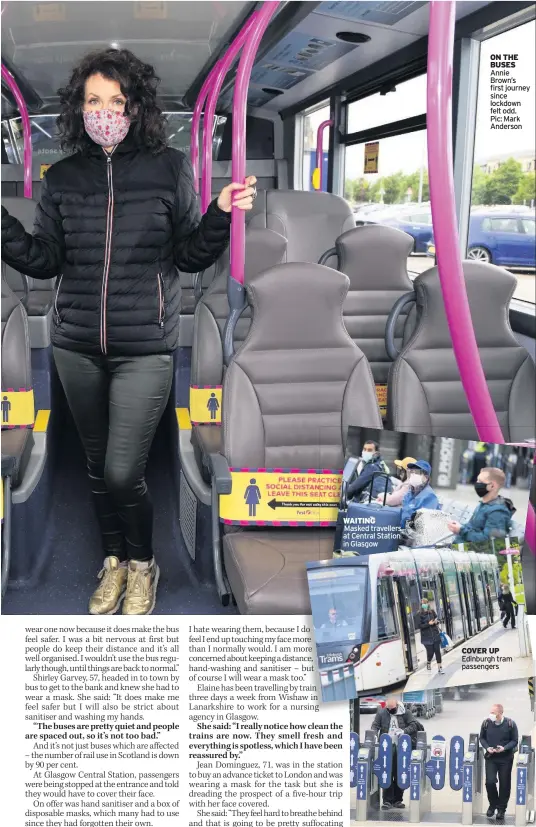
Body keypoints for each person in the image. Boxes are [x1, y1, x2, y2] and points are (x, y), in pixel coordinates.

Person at [0, 49, 257, 616]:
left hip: (146, 345)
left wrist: (218, 212)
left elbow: (190, 255)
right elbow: (43, 261)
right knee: (97, 469)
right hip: (75, 345)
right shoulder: (64, 177)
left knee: (123, 470)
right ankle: (113, 562)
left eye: (116, 101)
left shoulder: (168, 168)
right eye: (94, 101)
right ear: (79, 108)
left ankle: (143, 563)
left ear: (135, 106)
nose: (104, 112)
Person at [371, 697, 420, 810]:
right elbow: (375, 725)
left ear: (397, 705)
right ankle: (387, 800)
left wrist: (403, 732)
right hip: (386, 747)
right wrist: (374, 734)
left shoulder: (405, 712)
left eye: (392, 709)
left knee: (400, 771)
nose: (390, 711)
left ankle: (398, 799)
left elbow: (414, 725)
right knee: (387, 771)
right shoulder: (382, 713)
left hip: (402, 747)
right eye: (388, 709)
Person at [447, 467, 515, 545]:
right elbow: (472, 527)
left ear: (492, 486)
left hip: (472, 553)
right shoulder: (483, 504)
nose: (477, 484)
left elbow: (489, 541)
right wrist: (459, 527)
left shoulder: (498, 512)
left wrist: (461, 530)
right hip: (461, 546)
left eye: (480, 481)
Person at [480, 704, 519, 820]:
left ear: (500, 713)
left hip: (505, 758)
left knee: (504, 784)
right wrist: (487, 747)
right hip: (491, 757)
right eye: (490, 712)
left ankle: (501, 809)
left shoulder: (510, 724)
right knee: (490, 782)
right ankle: (493, 804)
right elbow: (482, 738)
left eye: (493, 713)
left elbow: (515, 740)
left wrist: (504, 748)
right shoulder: (486, 723)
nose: (490, 715)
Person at [400, 460, 441, 527]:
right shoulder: (409, 493)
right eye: (412, 472)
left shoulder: (429, 496)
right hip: (404, 531)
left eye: (417, 473)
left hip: (415, 535)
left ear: (426, 477)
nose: (413, 475)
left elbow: (423, 525)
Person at [418, 596, 444, 674]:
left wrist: (436, 622)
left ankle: (440, 667)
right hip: (426, 637)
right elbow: (419, 626)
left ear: (428, 604)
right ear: (421, 605)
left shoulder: (432, 611)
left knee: (437, 651)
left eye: (426, 603)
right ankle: (428, 662)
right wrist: (428, 624)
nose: (425, 604)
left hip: (435, 635)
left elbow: (437, 619)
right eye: (423, 603)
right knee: (430, 652)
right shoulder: (419, 614)